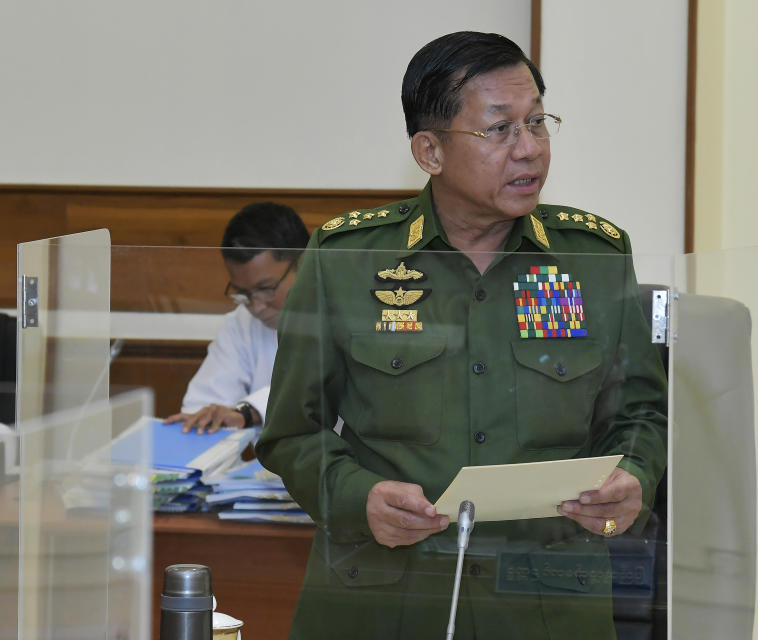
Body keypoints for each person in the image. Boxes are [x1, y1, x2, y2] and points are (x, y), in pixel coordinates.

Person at [257, 31, 667, 639]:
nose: (529, 150)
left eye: (538, 123)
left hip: (543, 601)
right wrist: (355, 496)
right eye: (499, 130)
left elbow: (643, 413)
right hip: (386, 598)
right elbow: (292, 432)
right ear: (429, 151)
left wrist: (635, 472)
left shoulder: (592, 257)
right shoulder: (348, 257)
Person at [165, 201, 309, 434]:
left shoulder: (351, 313)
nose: (256, 306)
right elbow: (201, 409)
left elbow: (315, 388)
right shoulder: (241, 323)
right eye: (243, 293)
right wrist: (207, 419)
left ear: (304, 264)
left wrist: (247, 411)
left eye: (266, 288)